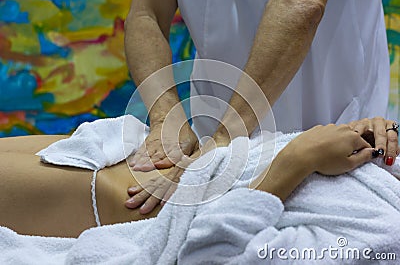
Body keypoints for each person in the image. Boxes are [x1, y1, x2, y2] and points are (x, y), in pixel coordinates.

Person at [123, 0, 394, 214]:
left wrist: (222, 142)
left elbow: (301, 4)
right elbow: (147, 15)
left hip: (335, 137)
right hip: (211, 140)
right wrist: (165, 118)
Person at [0, 118, 397, 238]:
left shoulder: (378, 240)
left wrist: (298, 159)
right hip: (137, 146)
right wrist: (377, 130)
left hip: (122, 203)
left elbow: (213, 254)